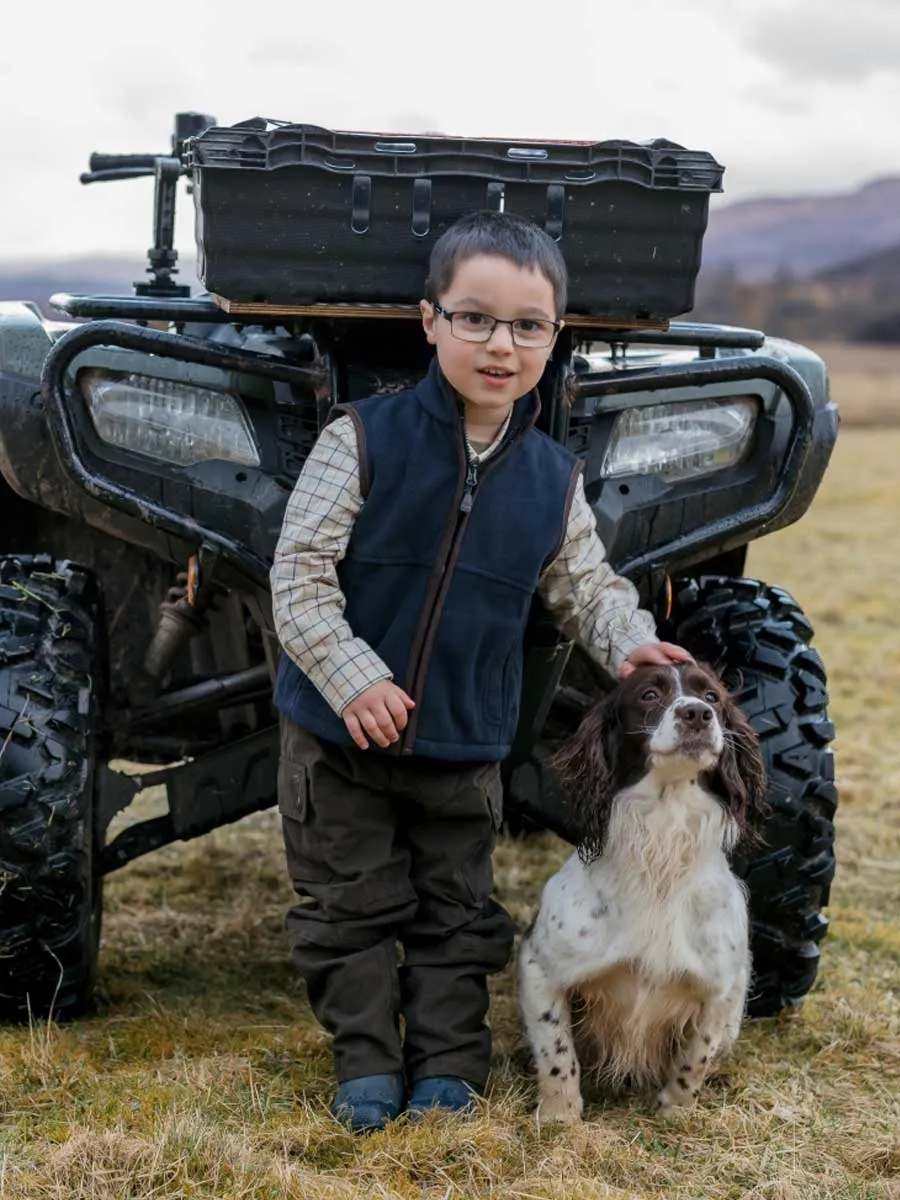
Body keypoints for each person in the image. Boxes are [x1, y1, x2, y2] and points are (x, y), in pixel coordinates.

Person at [270, 209, 691, 1133]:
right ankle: (369, 1067)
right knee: (348, 909)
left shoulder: (552, 477)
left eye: (527, 326)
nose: (501, 345)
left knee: (458, 914)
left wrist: (627, 642)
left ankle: (450, 1069)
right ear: (430, 322)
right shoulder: (363, 439)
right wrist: (353, 678)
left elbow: (586, 583)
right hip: (340, 739)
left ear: (555, 336)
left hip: (463, 743)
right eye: (475, 319)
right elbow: (297, 578)